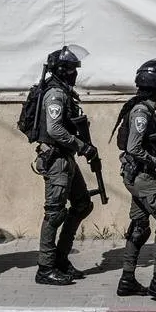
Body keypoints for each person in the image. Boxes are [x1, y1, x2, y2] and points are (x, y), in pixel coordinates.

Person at [114, 59, 156, 304]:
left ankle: (127, 280)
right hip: (141, 175)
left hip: (139, 175)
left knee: (140, 226)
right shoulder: (141, 112)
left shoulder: (146, 108)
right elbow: (133, 148)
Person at [33, 45, 96, 286]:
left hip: (66, 157)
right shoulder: (55, 94)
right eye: (71, 69)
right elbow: (54, 129)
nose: (75, 73)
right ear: (61, 70)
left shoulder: (64, 92)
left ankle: (60, 259)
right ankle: (45, 267)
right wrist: (82, 146)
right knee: (54, 213)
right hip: (56, 159)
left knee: (82, 204)